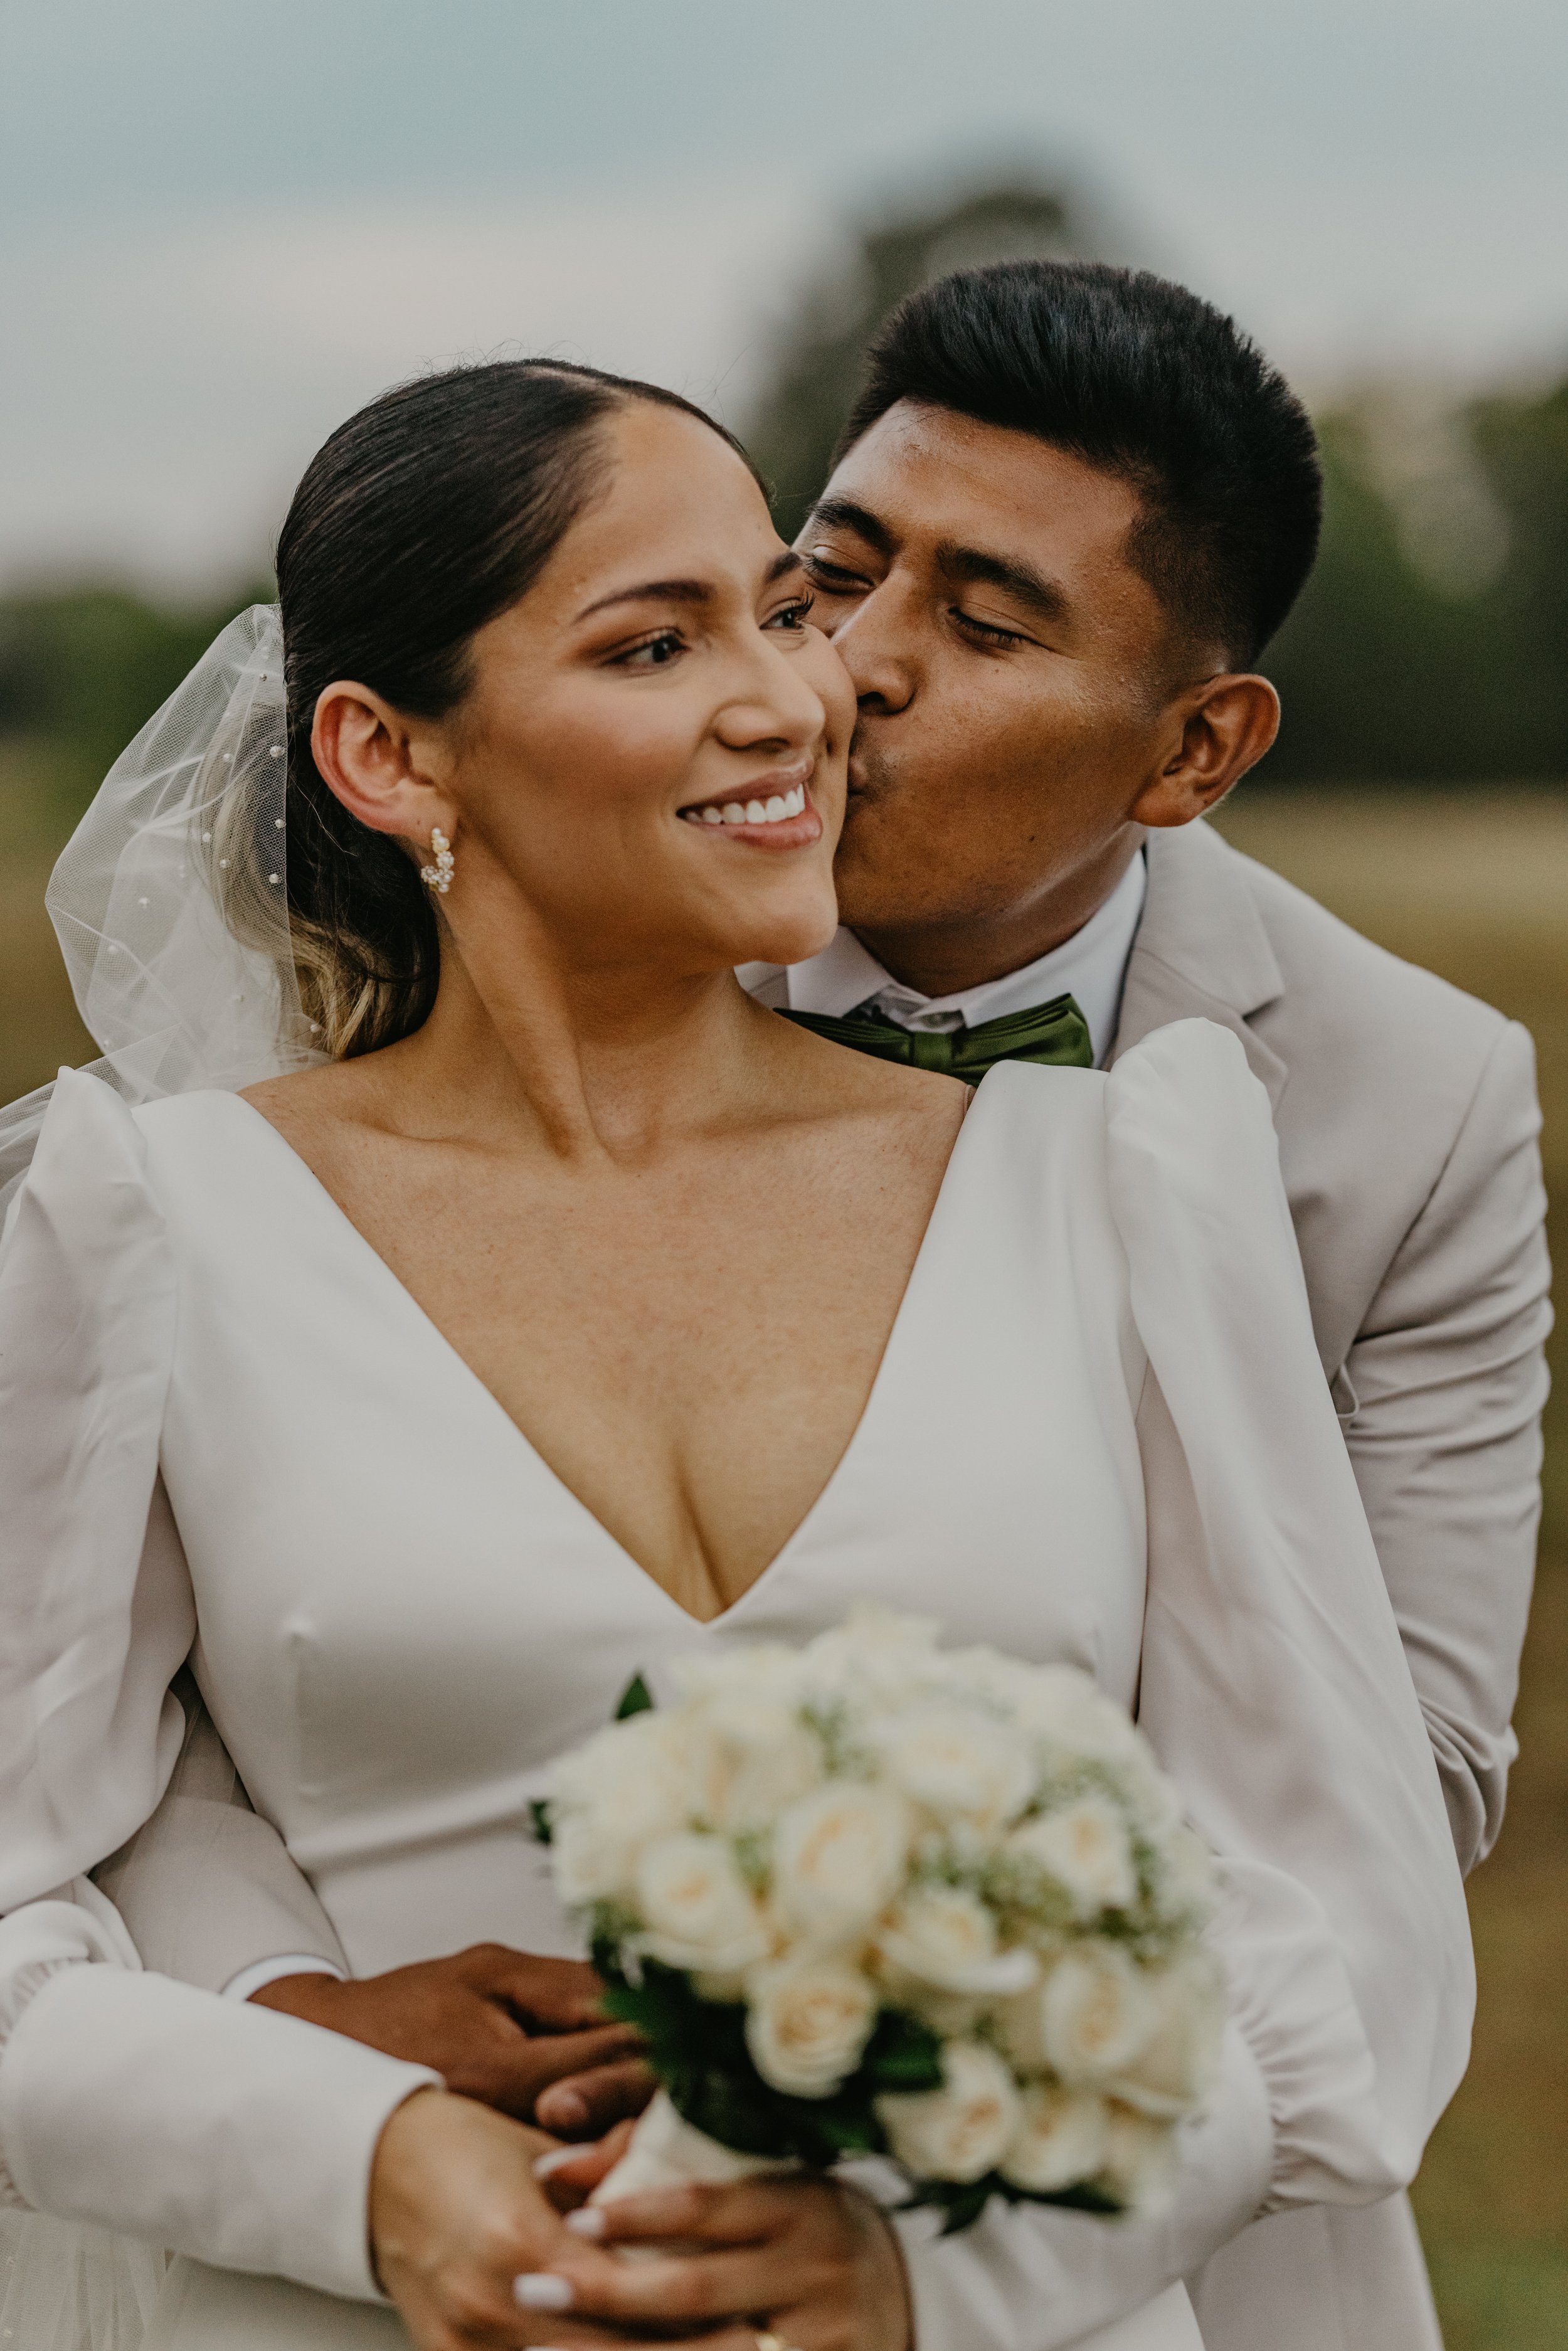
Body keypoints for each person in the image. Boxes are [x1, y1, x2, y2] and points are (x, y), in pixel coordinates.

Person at [115, 268, 1547, 2347]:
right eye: (827, 575)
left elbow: (1392, 1766)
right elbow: (163, 1667)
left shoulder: (1394, 1107)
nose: (842, 678)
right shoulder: (569, 894)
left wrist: (864, 1992)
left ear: (1195, 748)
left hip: (1119, 2204)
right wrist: (294, 2013)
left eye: (981, 626)